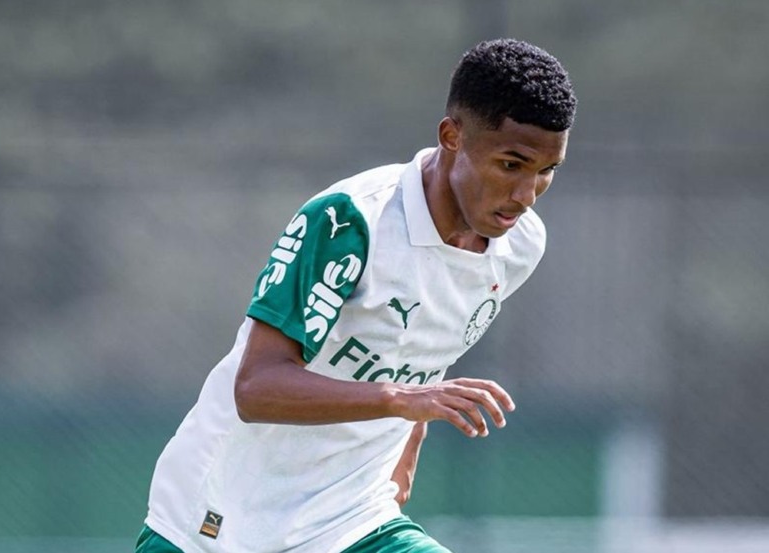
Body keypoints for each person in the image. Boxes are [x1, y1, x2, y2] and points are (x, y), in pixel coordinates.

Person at [137, 38, 577, 553]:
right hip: (216, 524)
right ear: (452, 136)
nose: (526, 196)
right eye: (511, 165)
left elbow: (424, 347)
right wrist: (404, 402)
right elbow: (256, 387)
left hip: (351, 521)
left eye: (546, 171)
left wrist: (409, 443)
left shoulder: (519, 246)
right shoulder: (349, 221)